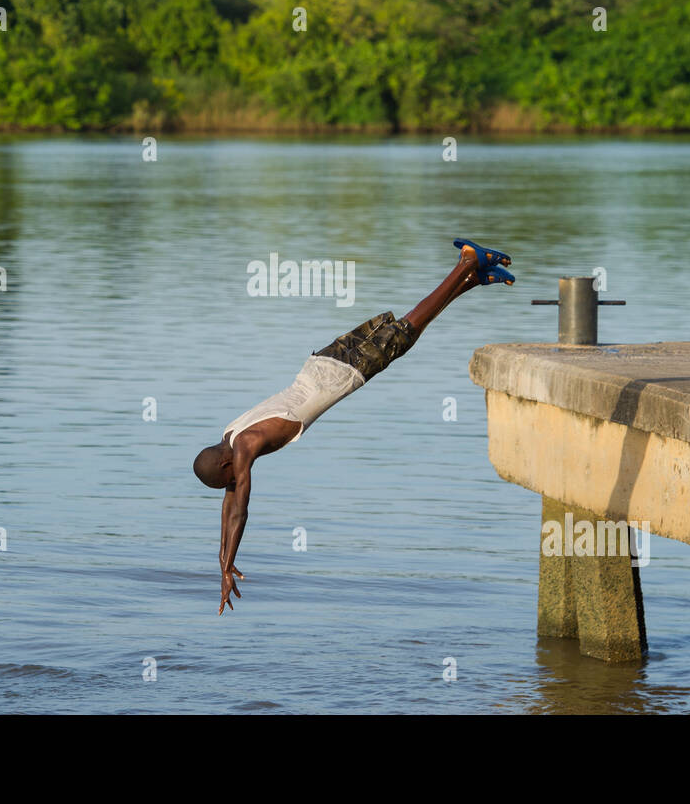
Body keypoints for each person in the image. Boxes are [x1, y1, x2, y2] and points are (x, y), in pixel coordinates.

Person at [193, 239, 513, 614]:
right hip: (319, 364)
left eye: (228, 480)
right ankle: (472, 280)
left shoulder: (246, 445)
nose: (232, 486)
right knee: (402, 334)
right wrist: (222, 563)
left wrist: (230, 559)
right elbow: (229, 504)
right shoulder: (230, 436)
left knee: (406, 332)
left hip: (338, 375)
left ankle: (466, 263)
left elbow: (240, 509)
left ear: (226, 466)